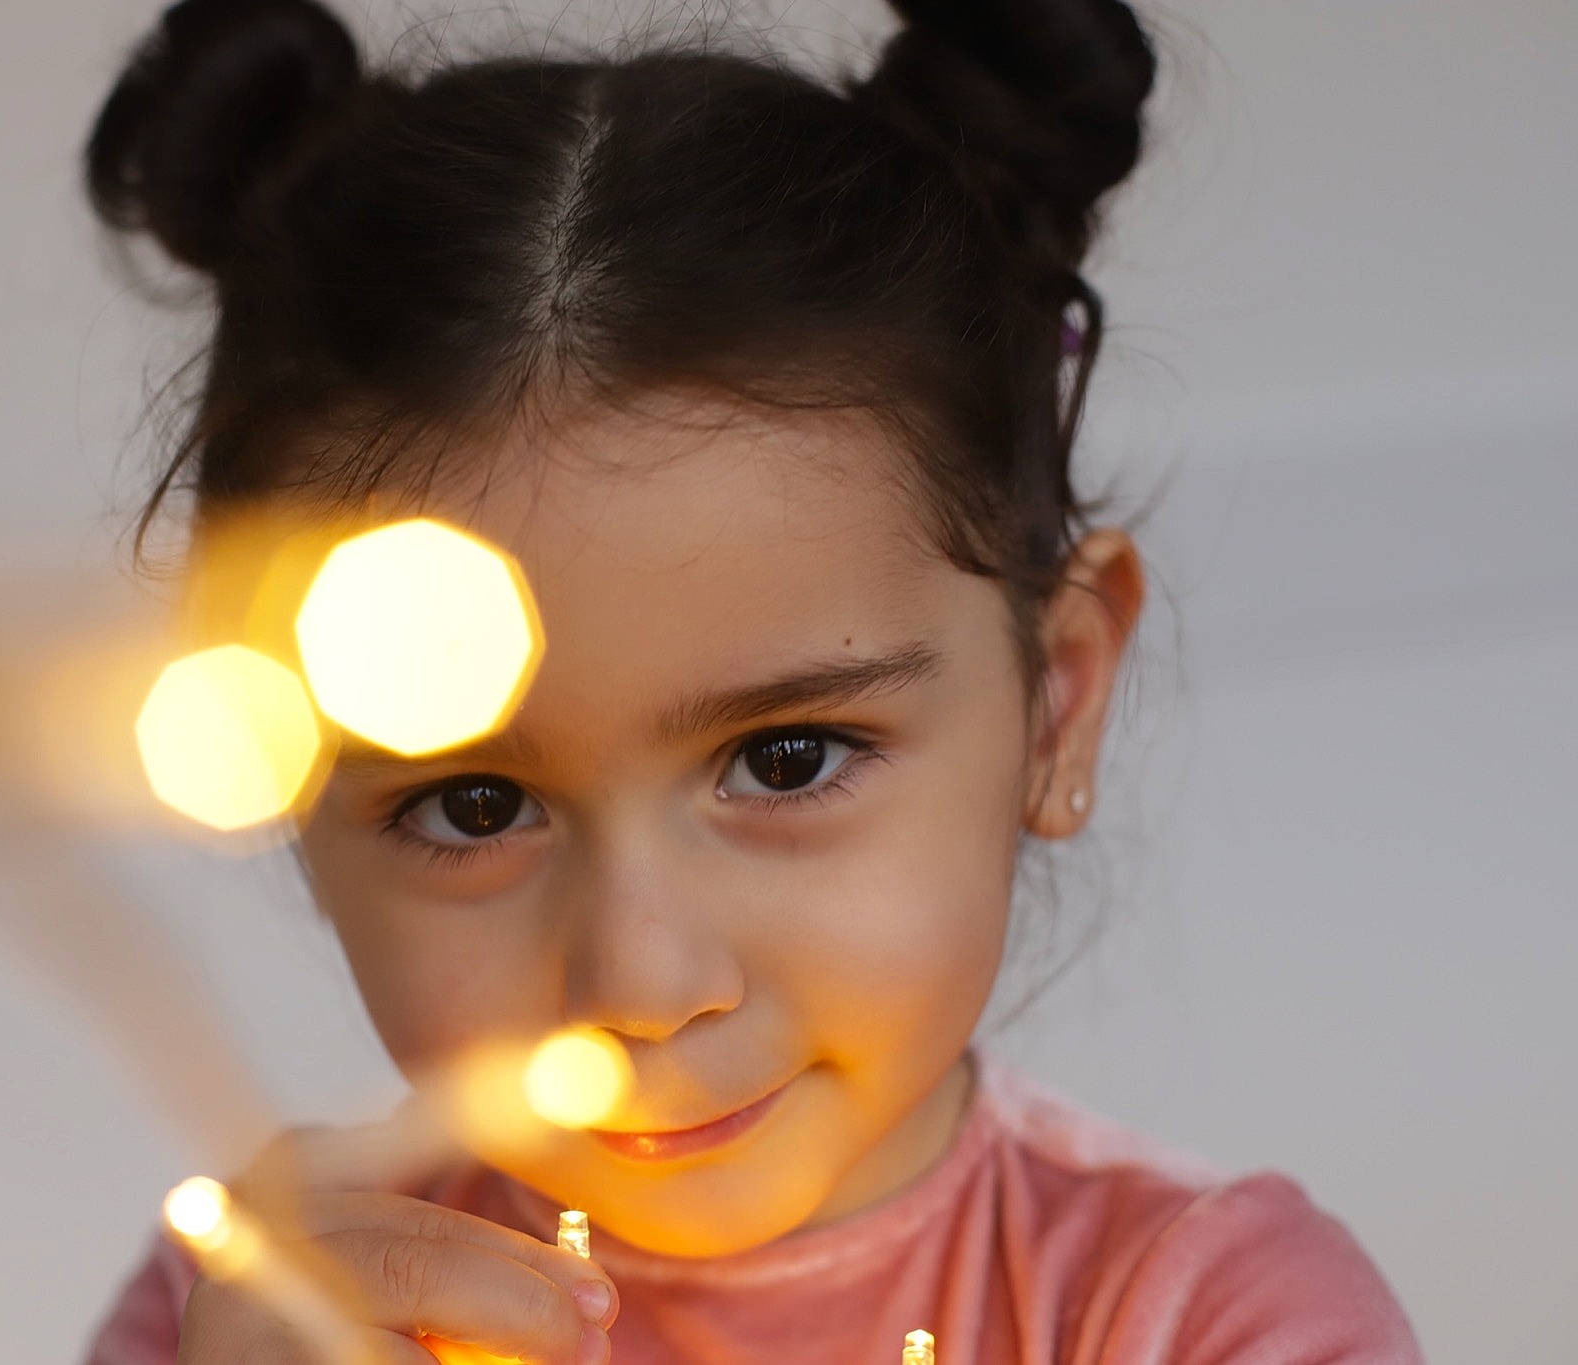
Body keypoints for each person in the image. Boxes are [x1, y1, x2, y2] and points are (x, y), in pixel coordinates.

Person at [78, 0, 1423, 1359]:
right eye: (475, 803)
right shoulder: (259, 1307)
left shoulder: (1217, 1319)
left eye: (788, 759)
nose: (644, 982)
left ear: (1057, 697)